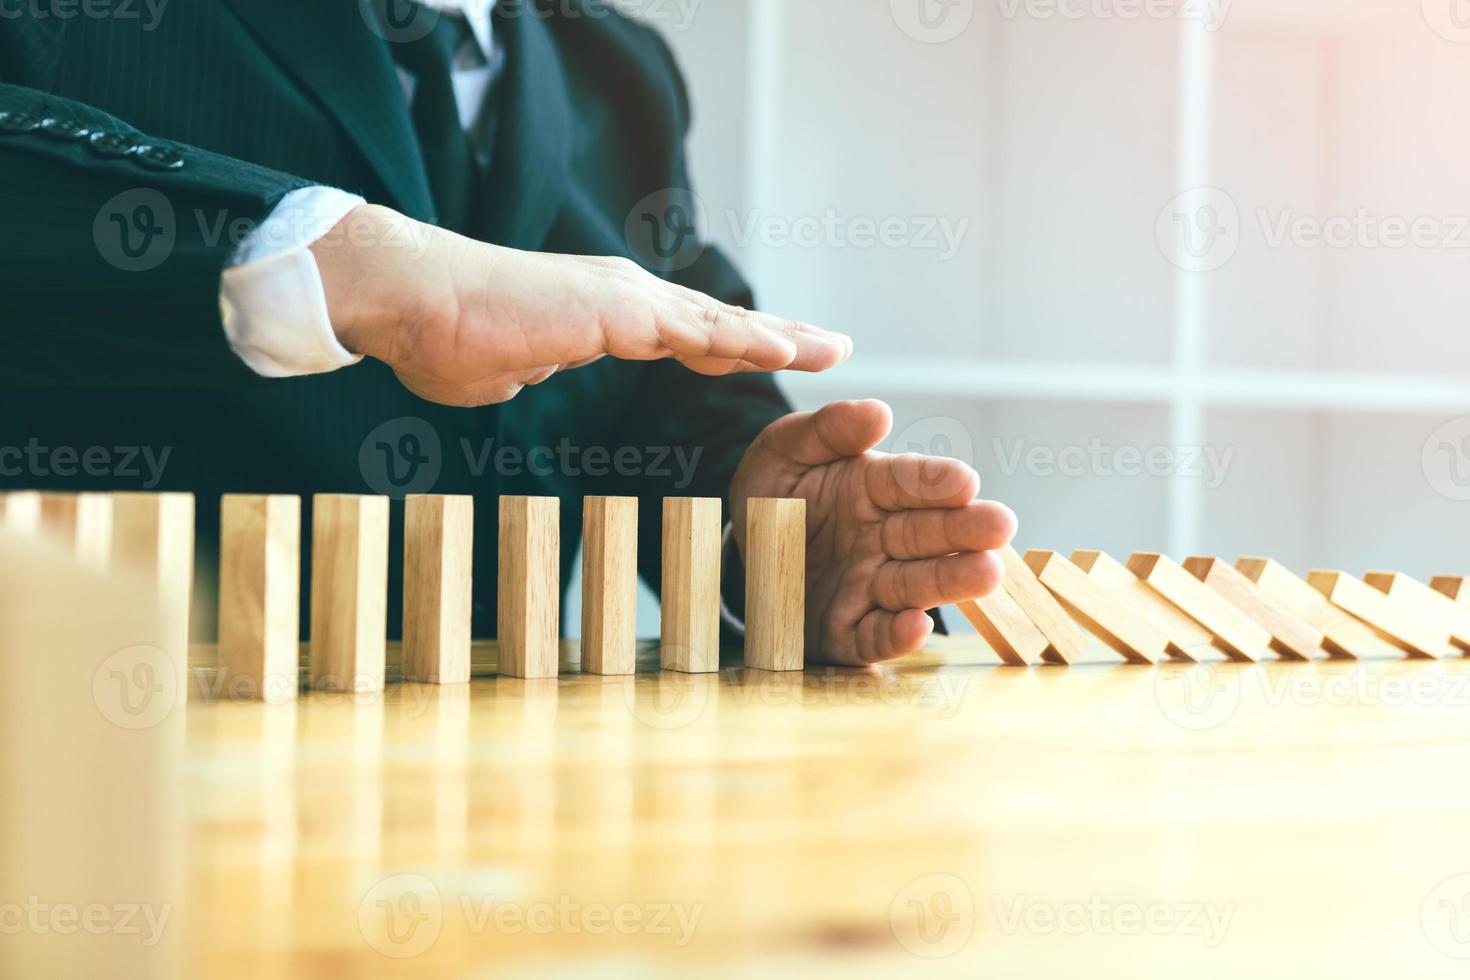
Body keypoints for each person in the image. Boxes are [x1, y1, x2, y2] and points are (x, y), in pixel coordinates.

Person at [0, 0, 1015, 665]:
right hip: (117, 769)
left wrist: (773, 532)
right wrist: (349, 264)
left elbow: (650, 381)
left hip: (502, 801)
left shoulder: (619, 68)